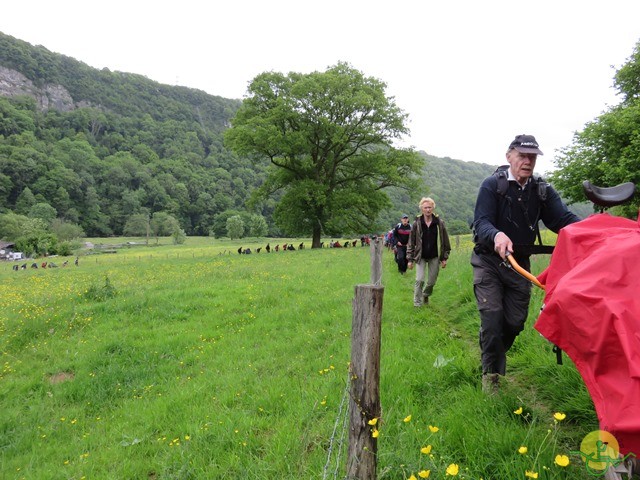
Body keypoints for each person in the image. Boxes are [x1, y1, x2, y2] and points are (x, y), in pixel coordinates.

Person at [471, 134, 580, 394]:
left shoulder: (541, 191)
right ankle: (491, 378)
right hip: (488, 261)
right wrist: (496, 234)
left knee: (514, 323)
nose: (527, 161)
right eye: (522, 155)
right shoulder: (492, 186)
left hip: (519, 265)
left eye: (532, 156)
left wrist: (593, 231)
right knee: (493, 316)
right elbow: (481, 222)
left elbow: (563, 219)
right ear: (509, 156)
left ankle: (490, 349)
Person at [407, 197, 451, 306]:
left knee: (431, 282)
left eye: (430, 207)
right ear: (422, 208)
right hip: (420, 256)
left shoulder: (439, 223)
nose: (428, 210)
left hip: (434, 256)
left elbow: (445, 241)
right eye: (425, 207)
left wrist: (444, 257)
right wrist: (410, 259)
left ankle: (425, 294)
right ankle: (417, 304)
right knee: (419, 280)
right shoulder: (417, 223)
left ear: (433, 208)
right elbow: (411, 242)